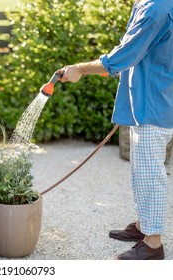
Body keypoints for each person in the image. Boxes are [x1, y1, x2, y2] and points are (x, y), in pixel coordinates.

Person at [58, 0, 173, 260]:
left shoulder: (156, 8)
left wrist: (81, 69)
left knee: (150, 175)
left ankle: (153, 244)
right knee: (142, 172)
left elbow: (124, 55)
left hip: (152, 103)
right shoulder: (148, 4)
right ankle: (145, 227)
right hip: (149, 100)